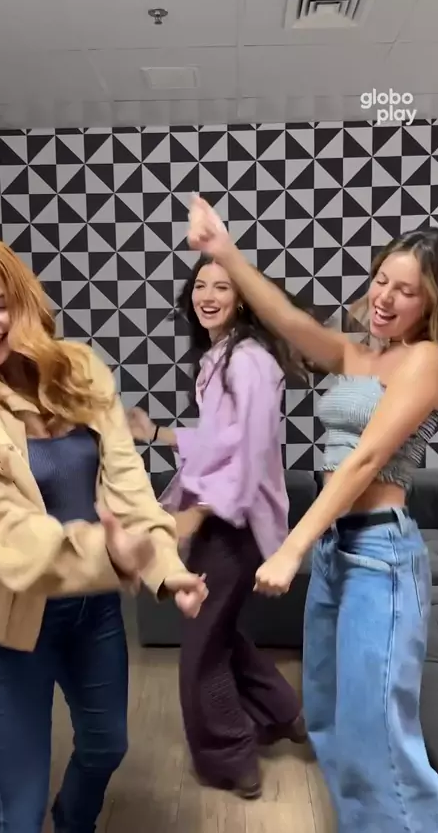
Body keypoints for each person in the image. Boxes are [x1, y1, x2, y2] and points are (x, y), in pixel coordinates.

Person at [185, 195, 438, 832]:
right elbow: (285, 318)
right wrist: (225, 252)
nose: (385, 297)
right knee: (331, 720)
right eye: (382, 280)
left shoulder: (428, 362)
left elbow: (366, 462)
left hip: (381, 557)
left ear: (434, 302)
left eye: (406, 291)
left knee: (379, 737)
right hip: (340, 551)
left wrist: (291, 547)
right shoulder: (361, 352)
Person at [0, 237, 208, 833]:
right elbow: (8, 533)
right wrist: (109, 552)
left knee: (107, 745)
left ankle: (74, 823)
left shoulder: (78, 369)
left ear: (24, 299)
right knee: (16, 811)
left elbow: (127, 481)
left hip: (94, 610)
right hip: (8, 621)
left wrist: (166, 567)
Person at [127, 253, 307, 799]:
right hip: (228, 517)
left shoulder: (247, 361)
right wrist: (156, 432)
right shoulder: (223, 356)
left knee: (203, 644)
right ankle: (282, 711)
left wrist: (197, 512)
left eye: (222, 287)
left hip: (235, 521)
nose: (207, 295)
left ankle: (232, 757)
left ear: (243, 298)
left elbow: (249, 453)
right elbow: (221, 439)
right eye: (200, 285)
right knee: (219, 628)